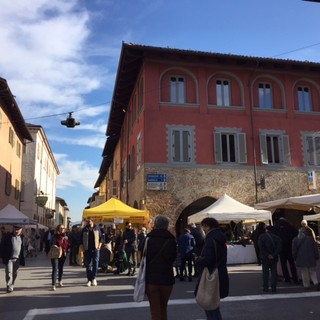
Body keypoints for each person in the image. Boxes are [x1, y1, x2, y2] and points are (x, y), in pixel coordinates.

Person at [195, 217, 229, 320]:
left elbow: (209, 259)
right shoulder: (219, 237)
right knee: (213, 303)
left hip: (211, 273)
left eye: (204, 227)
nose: (203, 229)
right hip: (220, 271)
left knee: (209, 303)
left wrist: (198, 260)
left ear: (208, 226)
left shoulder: (211, 238)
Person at [145, 215, 177, 320]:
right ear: (167, 226)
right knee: (163, 308)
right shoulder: (171, 240)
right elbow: (173, 258)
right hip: (167, 278)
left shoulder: (148, 239)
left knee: (155, 311)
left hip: (152, 278)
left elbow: (144, 257)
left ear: (155, 225)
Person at [0, 225, 25, 293]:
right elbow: (2, 246)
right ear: (13, 229)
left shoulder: (22, 238)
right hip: (9, 258)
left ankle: (12, 284)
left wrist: (23, 257)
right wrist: (2, 256)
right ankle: (9, 286)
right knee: (9, 273)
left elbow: (23, 248)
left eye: (18, 229)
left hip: (17, 259)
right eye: (15, 229)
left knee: (15, 273)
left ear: (21, 230)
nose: (16, 231)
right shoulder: (8, 237)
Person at [258, 225, 282, 293]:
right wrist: (273, 255)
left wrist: (267, 254)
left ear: (266, 230)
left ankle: (266, 287)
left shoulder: (262, 237)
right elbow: (279, 248)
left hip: (265, 257)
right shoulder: (277, 238)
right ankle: (273, 287)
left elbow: (261, 247)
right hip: (274, 257)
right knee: (274, 272)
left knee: (265, 273)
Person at [80, 218, 103, 286]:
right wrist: (82, 247)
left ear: (92, 221)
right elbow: (80, 239)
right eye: (87, 221)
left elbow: (101, 238)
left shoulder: (97, 228)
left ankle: (94, 278)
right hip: (87, 249)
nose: (88, 223)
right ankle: (89, 280)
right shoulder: (84, 229)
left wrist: (99, 246)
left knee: (96, 264)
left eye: (89, 221)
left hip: (96, 249)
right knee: (88, 265)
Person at [274, 218, 298, 283]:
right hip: (289, 246)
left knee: (283, 264)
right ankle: (295, 278)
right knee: (291, 263)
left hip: (281, 247)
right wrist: (290, 238)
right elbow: (296, 232)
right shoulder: (288, 225)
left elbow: (274, 236)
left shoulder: (276, 226)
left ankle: (287, 279)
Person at [50, 224, 69, 291]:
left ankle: (60, 280)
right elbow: (51, 244)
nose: (62, 229)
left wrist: (67, 249)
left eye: (63, 228)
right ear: (58, 229)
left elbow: (67, 245)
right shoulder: (54, 236)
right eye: (61, 228)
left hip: (63, 254)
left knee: (60, 268)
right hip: (55, 254)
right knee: (55, 269)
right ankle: (53, 284)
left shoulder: (66, 237)